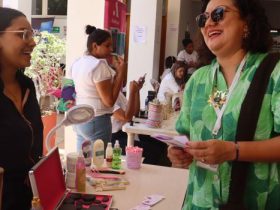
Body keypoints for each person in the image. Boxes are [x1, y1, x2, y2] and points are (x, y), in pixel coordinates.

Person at [168, 0, 280, 209]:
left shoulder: (274, 73)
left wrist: (234, 151)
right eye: (203, 18)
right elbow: (185, 135)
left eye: (218, 14)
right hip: (200, 201)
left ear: (246, 22)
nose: (208, 23)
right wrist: (178, 151)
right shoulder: (199, 80)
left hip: (255, 201)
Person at [0, 7, 43, 210]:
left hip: (30, 197)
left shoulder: (27, 85)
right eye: (23, 34)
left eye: (32, 35)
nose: (32, 42)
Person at [68, 25, 125, 151]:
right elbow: (109, 101)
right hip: (97, 120)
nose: (111, 49)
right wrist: (121, 73)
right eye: (107, 45)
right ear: (95, 46)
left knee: (82, 163)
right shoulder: (99, 65)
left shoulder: (78, 62)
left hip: (80, 118)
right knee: (98, 164)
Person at [111, 78, 144, 153]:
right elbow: (126, 118)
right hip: (116, 138)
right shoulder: (109, 96)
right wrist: (132, 92)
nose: (122, 82)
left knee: (158, 145)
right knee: (152, 150)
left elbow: (134, 112)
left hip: (125, 133)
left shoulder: (119, 94)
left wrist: (137, 91)